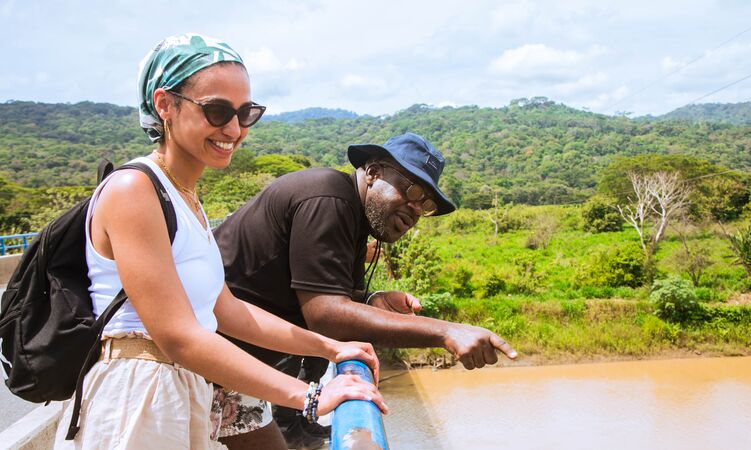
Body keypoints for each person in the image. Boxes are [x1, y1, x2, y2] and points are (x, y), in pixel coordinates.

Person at [54, 33, 386, 450]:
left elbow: (226, 310)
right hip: (139, 398)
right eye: (216, 111)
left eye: (246, 113)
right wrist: (310, 396)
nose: (234, 128)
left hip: (182, 391)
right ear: (165, 105)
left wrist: (330, 346)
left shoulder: (186, 196)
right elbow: (178, 335)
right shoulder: (132, 190)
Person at [214, 132, 518, 448]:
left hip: (235, 366)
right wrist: (446, 332)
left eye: (425, 204)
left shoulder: (356, 217)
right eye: (412, 190)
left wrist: (372, 300)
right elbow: (326, 314)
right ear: (373, 172)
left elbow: (325, 291)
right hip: (193, 359)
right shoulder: (329, 199)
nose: (415, 209)